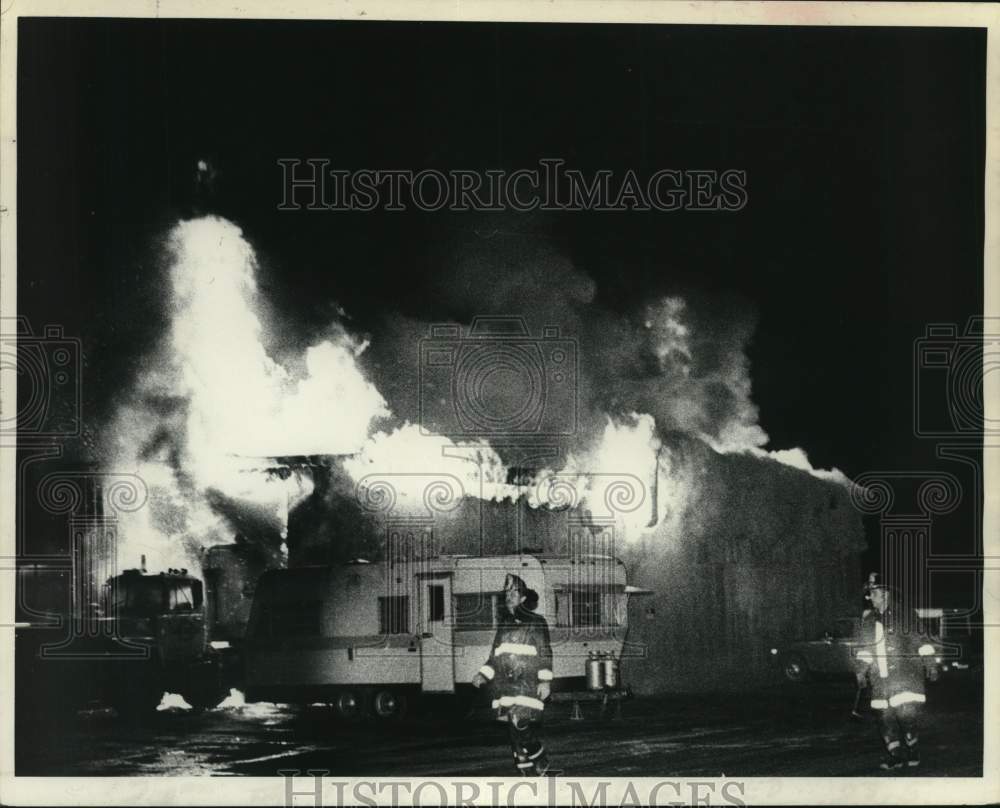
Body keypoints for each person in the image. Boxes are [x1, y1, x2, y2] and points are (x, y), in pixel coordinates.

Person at [472, 573, 554, 776]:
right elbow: (495, 656)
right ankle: (525, 771)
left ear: (523, 598)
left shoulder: (536, 622)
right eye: (507, 593)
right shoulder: (504, 624)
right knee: (513, 730)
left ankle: (540, 758)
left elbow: (545, 652)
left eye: (514, 593)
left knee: (518, 722)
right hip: (505, 686)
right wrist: (483, 674)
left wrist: (545, 681)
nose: (509, 597)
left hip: (527, 683)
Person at [854, 572, 937, 770]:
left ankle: (913, 749)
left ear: (886, 593)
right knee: (885, 718)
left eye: (874, 593)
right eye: (869, 594)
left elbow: (921, 640)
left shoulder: (906, 615)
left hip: (904, 676)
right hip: (880, 679)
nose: (870, 598)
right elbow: (866, 650)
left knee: (906, 715)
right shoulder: (869, 621)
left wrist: (930, 664)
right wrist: (861, 670)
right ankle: (895, 756)